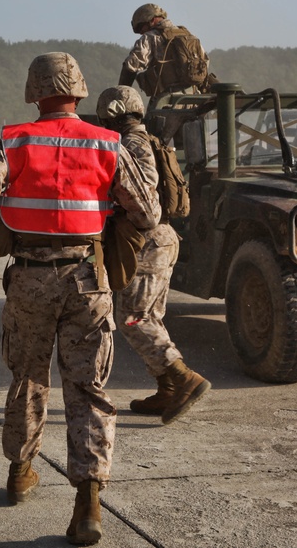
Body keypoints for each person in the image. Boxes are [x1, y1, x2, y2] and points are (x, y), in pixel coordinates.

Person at [0, 53, 158, 545]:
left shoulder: (12, 143)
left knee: (28, 378)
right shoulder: (109, 144)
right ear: (80, 92)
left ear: (34, 93)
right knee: (88, 389)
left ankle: (21, 473)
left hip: (29, 281)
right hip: (89, 280)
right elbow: (147, 212)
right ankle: (88, 504)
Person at [96, 85, 211, 425]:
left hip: (148, 238)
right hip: (161, 238)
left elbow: (145, 203)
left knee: (134, 318)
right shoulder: (150, 139)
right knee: (150, 316)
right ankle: (167, 389)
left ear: (113, 114)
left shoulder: (131, 144)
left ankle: (183, 377)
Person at [118, 3, 211, 109]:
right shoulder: (189, 36)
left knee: (151, 124)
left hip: (168, 102)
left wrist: (120, 96)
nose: (141, 32)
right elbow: (205, 64)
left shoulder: (150, 37)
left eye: (140, 27)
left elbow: (131, 66)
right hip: (194, 101)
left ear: (151, 20)